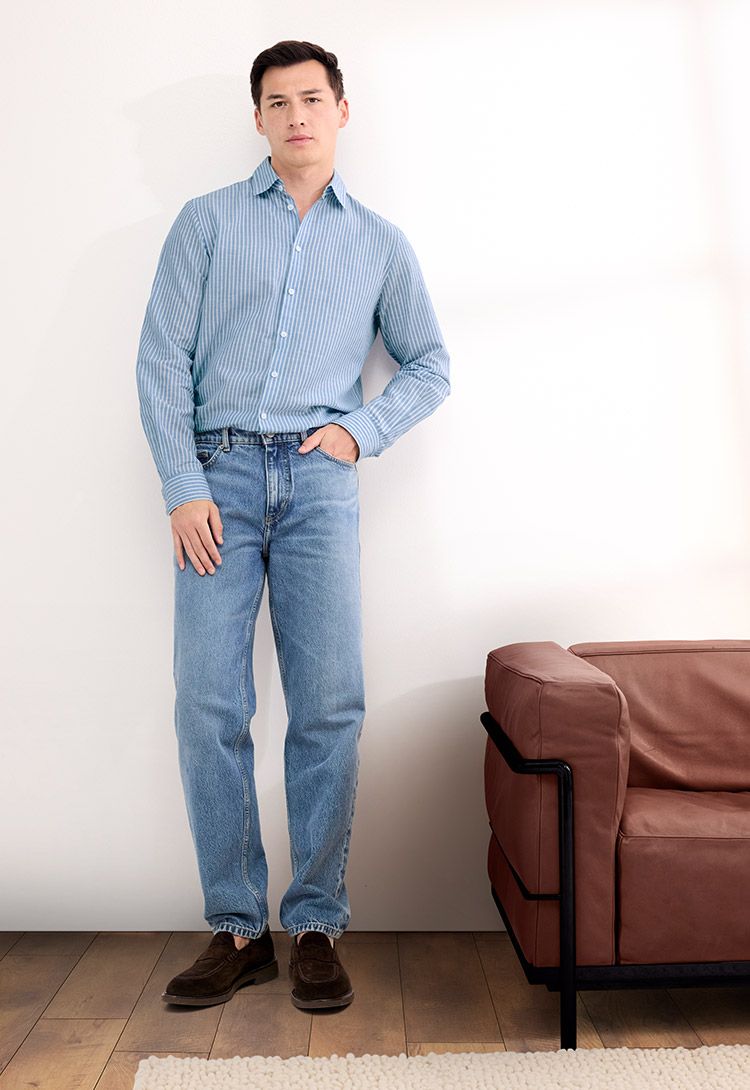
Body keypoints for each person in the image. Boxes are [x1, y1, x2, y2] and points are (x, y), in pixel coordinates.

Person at [135, 39, 451, 1012]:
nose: (297, 115)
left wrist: (359, 433)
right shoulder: (206, 222)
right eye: (278, 102)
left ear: (341, 111)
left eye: (312, 98)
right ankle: (238, 927)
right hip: (217, 482)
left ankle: (315, 921)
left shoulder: (380, 243)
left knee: (328, 705)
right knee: (208, 703)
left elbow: (430, 364)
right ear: (259, 119)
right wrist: (182, 484)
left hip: (319, 484)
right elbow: (160, 360)